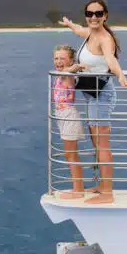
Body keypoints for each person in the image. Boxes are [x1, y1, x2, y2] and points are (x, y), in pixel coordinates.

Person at [58, 0, 127, 204]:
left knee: (102, 145)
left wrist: (121, 76)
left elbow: (111, 59)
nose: (94, 17)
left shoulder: (105, 39)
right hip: (92, 95)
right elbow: (78, 30)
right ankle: (102, 186)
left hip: (102, 95)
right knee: (96, 142)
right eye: (90, 14)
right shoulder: (89, 34)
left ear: (105, 16)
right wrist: (69, 25)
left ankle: (107, 193)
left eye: (98, 13)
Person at [52, 45, 89, 199]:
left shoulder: (68, 75)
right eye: (56, 58)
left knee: (71, 155)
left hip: (69, 116)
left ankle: (78, 190)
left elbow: (71, 71)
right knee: (70, 155)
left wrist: (76, 66)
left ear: (71, 60)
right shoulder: (60, 73)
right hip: (62, 115)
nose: (58, 61)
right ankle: (77, 188)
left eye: (62, 58)